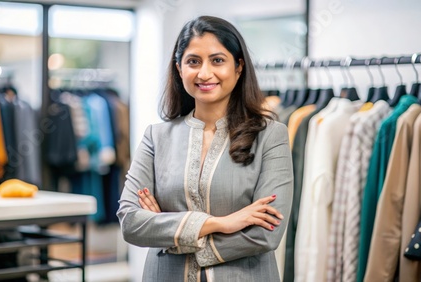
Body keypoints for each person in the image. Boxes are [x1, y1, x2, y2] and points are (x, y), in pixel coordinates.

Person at [117, 15, 293, 282]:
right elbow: (131, 222)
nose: (204, 73)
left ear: (239, 66)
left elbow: (266, 232)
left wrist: (170, 236)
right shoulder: (156, 137)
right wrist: (224, 222)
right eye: (193, 61)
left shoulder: (270, 136)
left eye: (218, 60)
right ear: (179, 68)